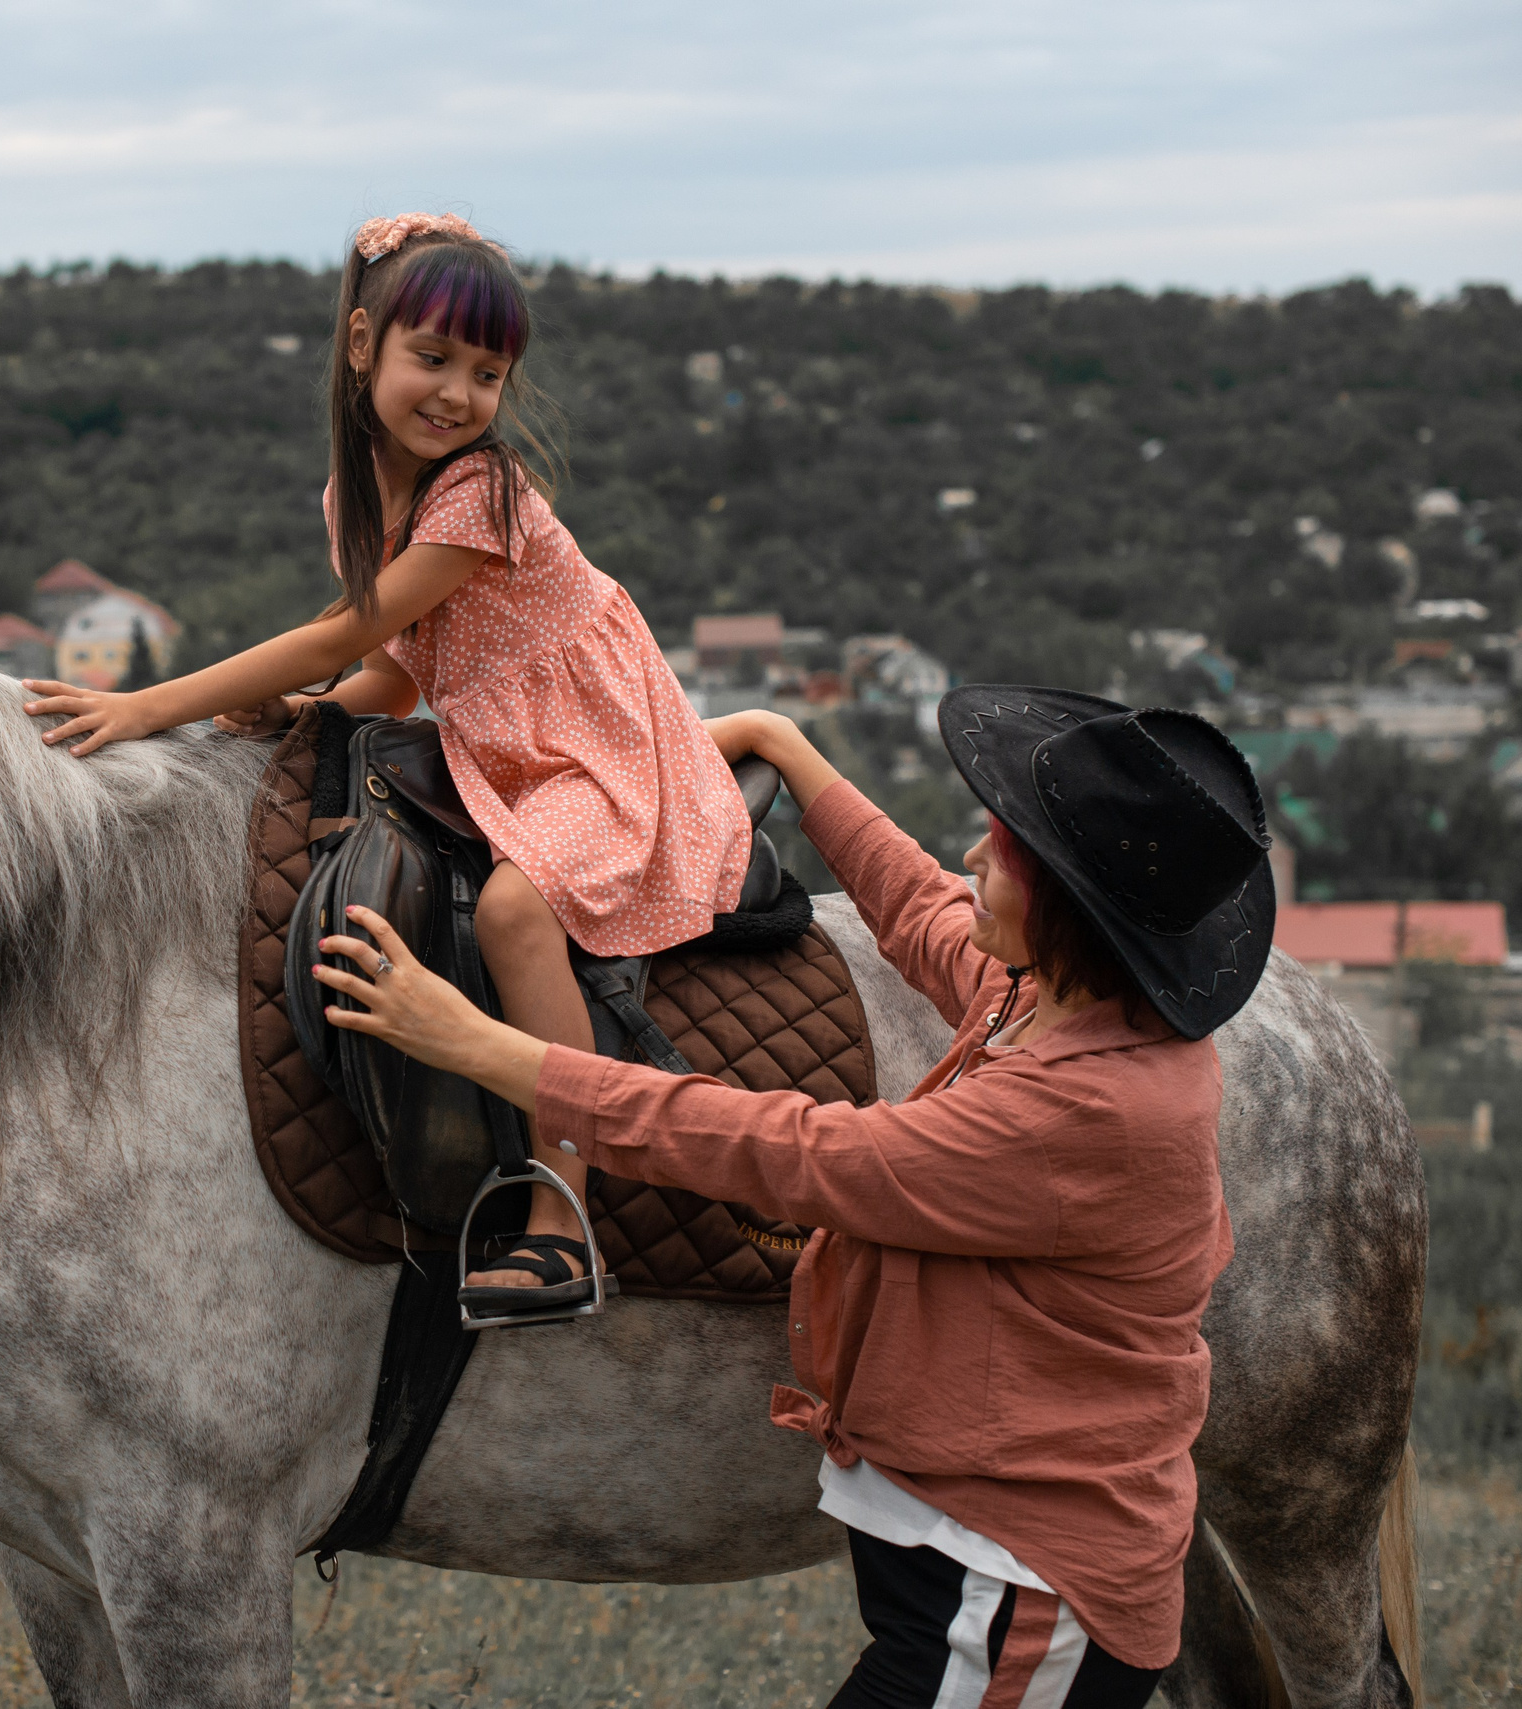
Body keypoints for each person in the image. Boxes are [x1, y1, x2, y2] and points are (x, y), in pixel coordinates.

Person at [305, 687, 1275, 1707]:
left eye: (1008, 853)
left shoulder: (1094, 1106)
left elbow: (794, 1151)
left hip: (1019, 1591)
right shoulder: (1050, 1001)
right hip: (967, 1575)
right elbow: (918, 909)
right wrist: (788, 751)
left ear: (1073, 909)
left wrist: (479, 1045)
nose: (975, 861)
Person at [22, 212, 752, 1320]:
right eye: (433, 358)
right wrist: (300, 712)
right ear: (361, 342)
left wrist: (147, 706)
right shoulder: (355, 497)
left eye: (487, 371)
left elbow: (335, 637)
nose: (458, 393)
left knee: (514, 915)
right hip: (497, 743)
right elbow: (393, 678)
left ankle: (564, 1211)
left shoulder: (481, 494)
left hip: (588, 747)